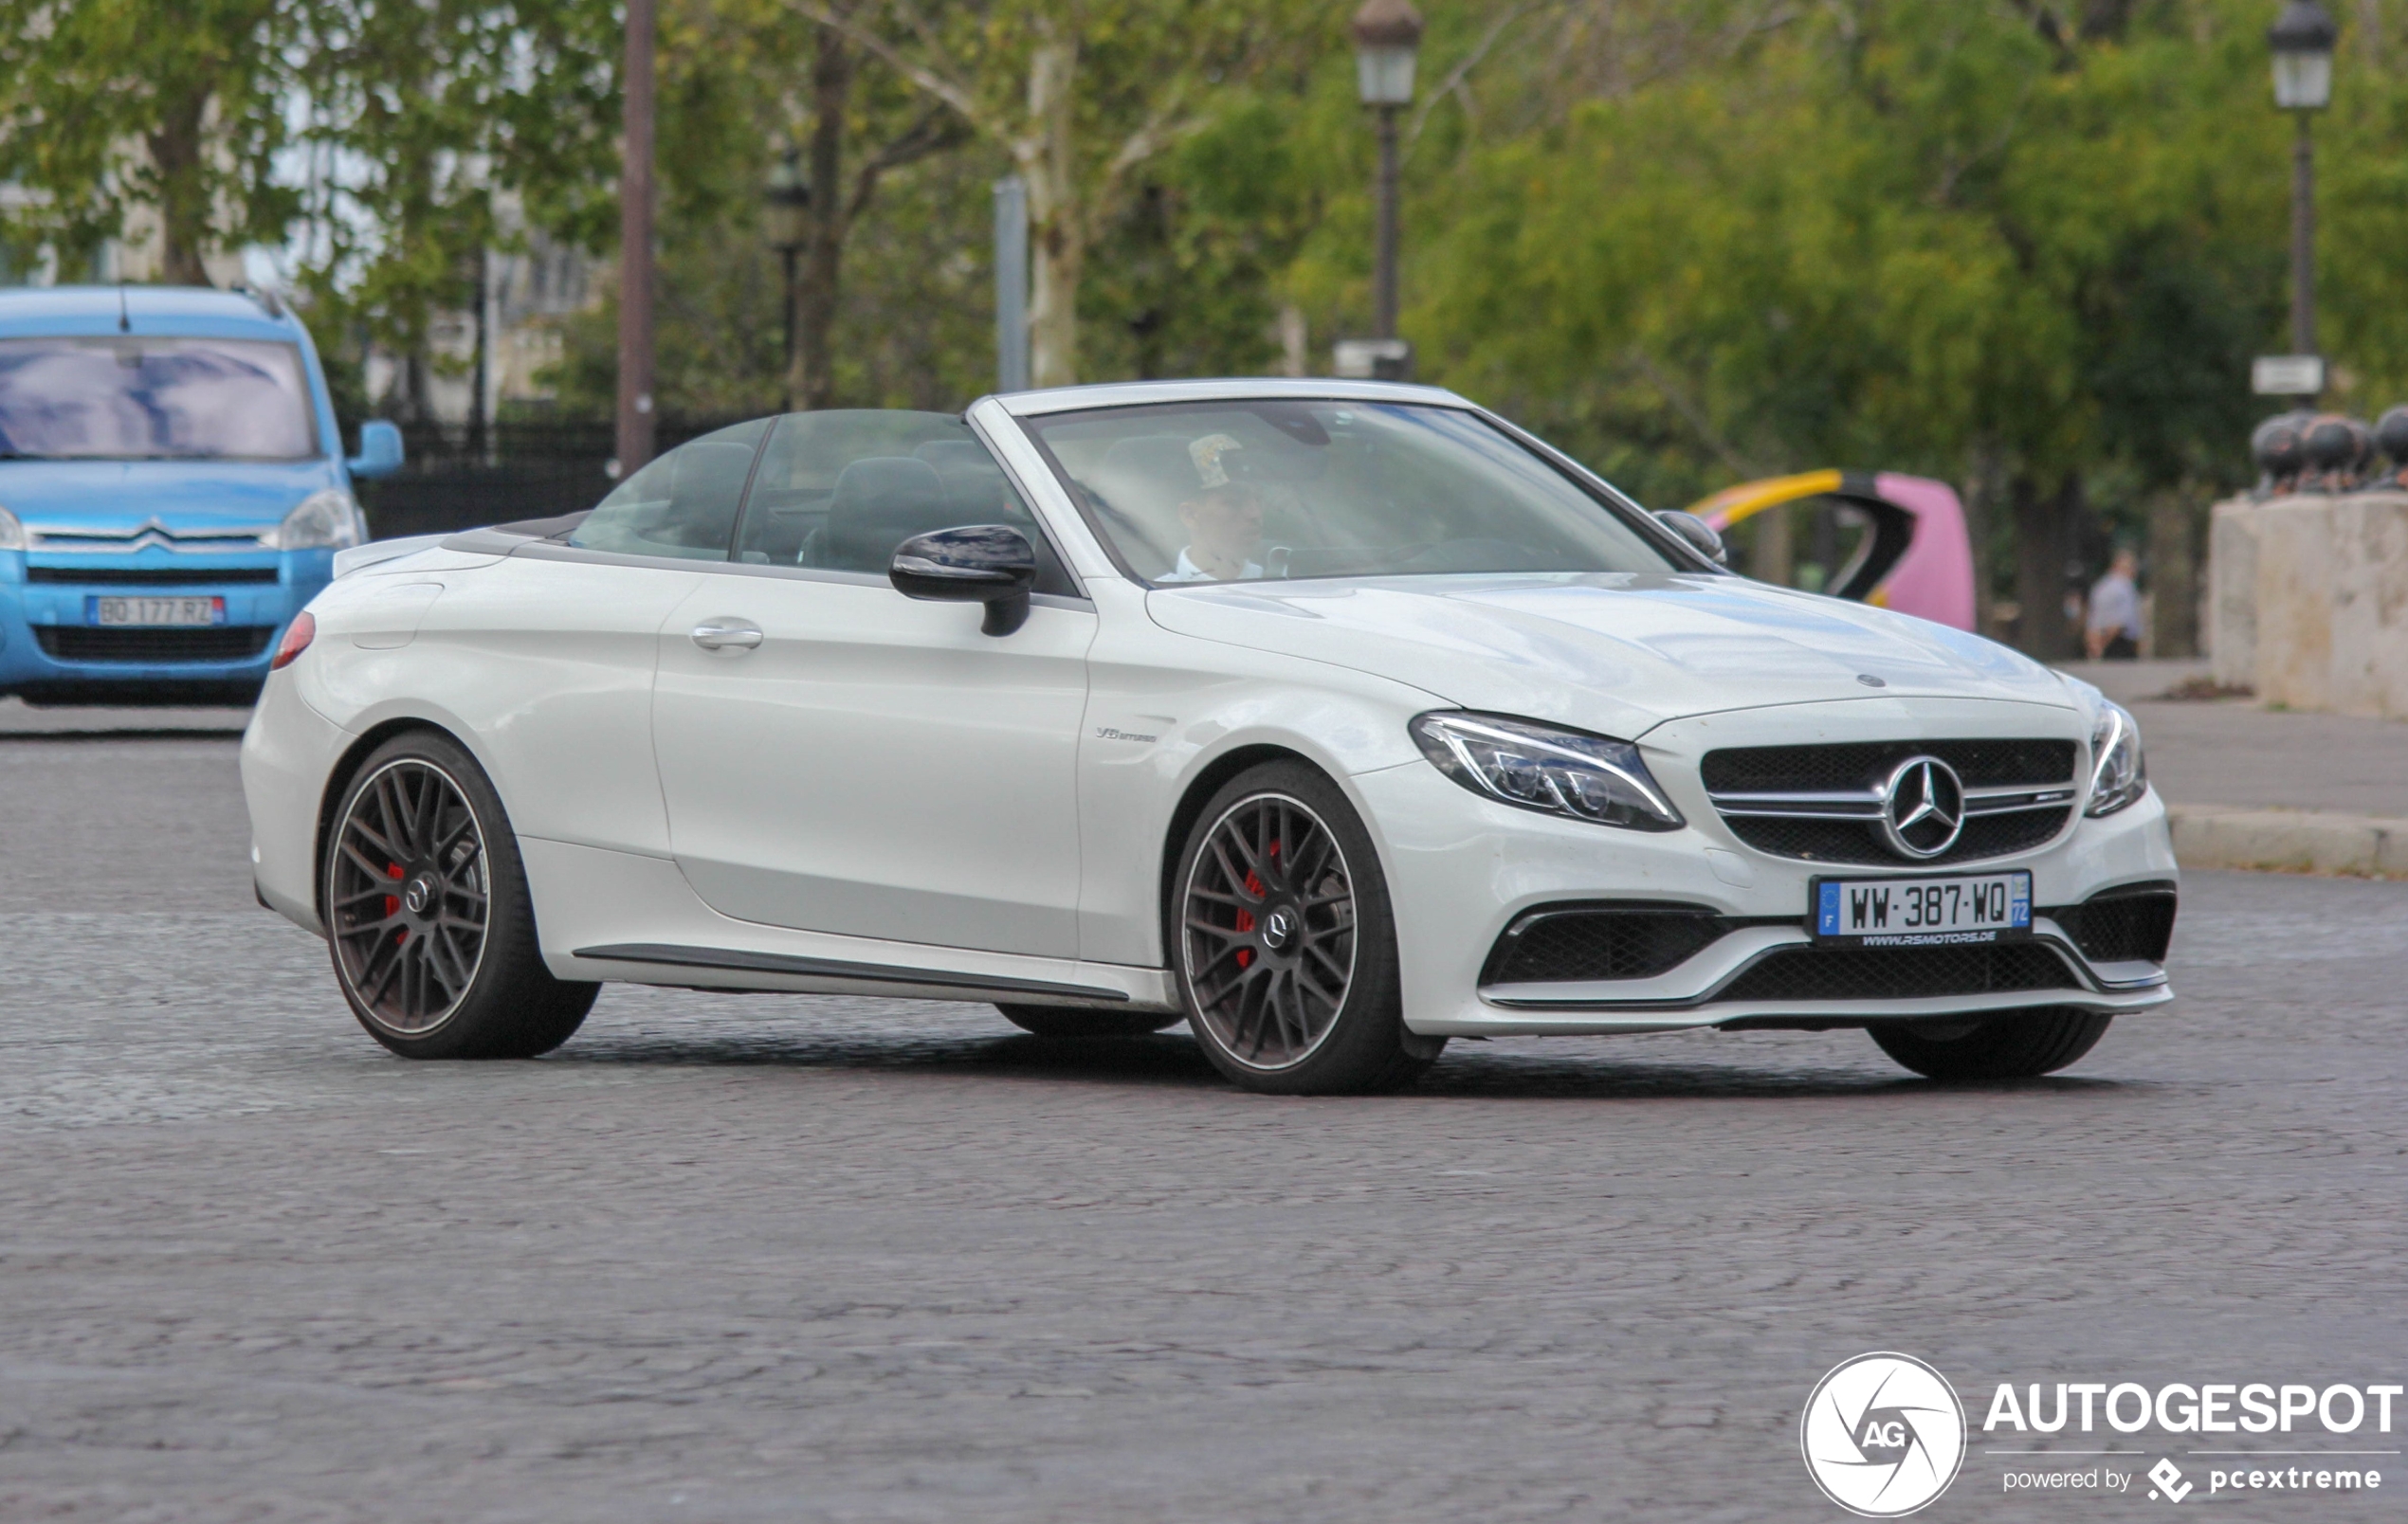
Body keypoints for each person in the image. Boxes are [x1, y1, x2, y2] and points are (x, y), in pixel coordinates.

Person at [1158, 433, 1267, 582]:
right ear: (1190, 515)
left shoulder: (1289, 583)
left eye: (1258, 500)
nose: (1255, 514)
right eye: (1233, 503)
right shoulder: (1147, 598)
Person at [2085, 548, 2143, 661]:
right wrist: (2106, 642)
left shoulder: (2100, 586)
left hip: (2101, 639)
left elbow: (2093, 618)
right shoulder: (2125, 587)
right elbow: (2121, 621)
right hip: (2120, 642)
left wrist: (2095, 645)